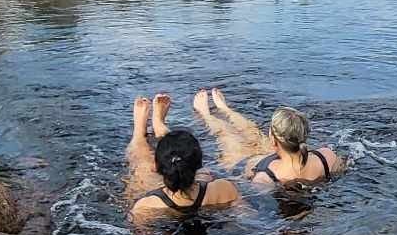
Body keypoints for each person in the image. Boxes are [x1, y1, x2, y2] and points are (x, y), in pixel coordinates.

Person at [193, 87, 344, 188]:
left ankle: (206, 114)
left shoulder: (264, 179)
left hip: (243, 161)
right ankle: (224, 109)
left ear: (273, 138)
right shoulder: (327, 156)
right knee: (250, 131)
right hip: (271, 157)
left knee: (228, 134)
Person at [126, 94, 241, 224]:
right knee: (203, 175)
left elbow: (139, 231)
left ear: (155, 167)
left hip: (162, 200)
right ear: (200, 163)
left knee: (142, 173)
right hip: (201, 192)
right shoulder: (224, 189)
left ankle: (139, 134)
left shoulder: (146, 206)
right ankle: (159, 125)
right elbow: (245, 214)